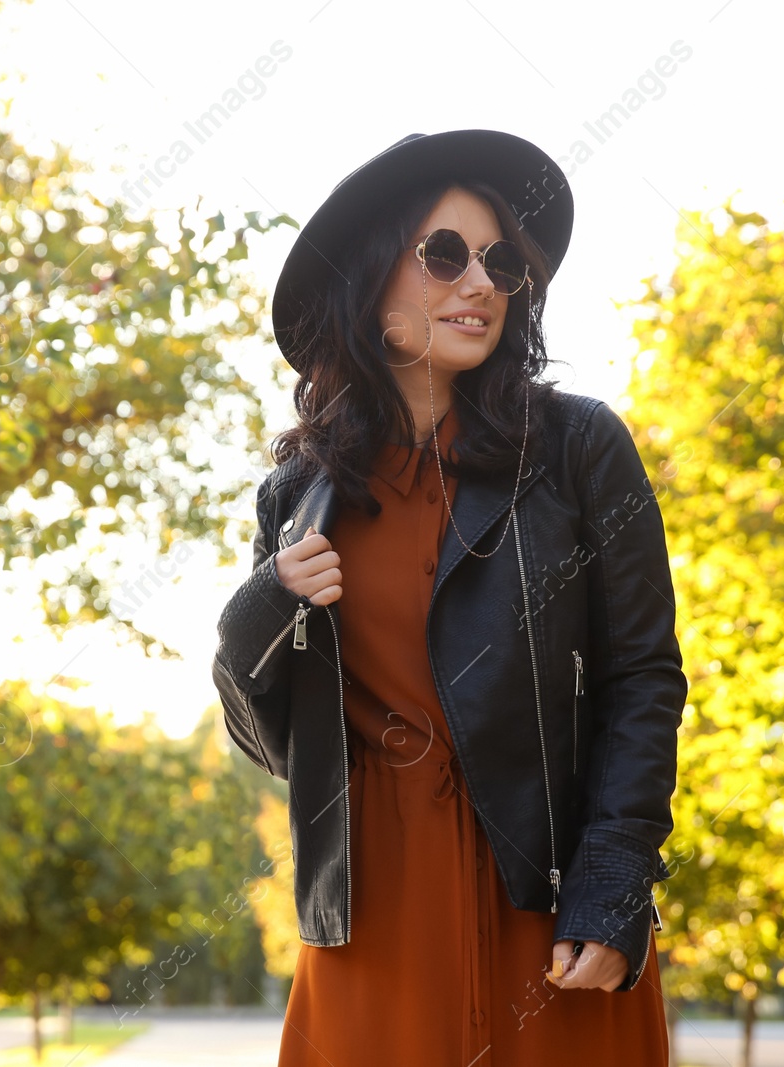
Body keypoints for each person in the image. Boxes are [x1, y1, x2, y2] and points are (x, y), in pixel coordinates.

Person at [211, 130, 688, 1064]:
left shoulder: (581, 448)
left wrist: (615, 878)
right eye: (444, 254)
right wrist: (259, 607)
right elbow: (274, 744)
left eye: (501, 262)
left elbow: (643, 676)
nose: (481, 283)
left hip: (550, 902)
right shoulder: (297, 495)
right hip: (370, 911)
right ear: (367, 277)